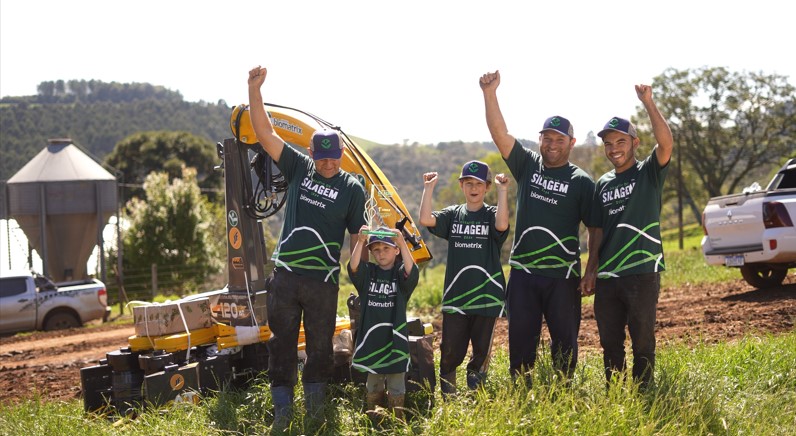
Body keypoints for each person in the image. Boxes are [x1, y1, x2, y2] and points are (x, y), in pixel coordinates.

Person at [247, 66, 367, 428]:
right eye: (322, 157)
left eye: (334, 157)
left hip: (322, 282)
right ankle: (282, 411)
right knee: (280, 344)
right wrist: (254, 90)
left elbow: (356, 236)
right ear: (312, 154)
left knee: (319, 347)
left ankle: (315, 409)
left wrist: (361, 271)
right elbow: (265, 132)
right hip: (285, 278)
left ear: (342, 153)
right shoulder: (299, 167)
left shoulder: (352, 188)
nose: (328, 163)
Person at [479, 70, 598, 382]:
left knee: (565, 344)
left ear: (571, 143)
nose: (552, 144)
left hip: (563, 277)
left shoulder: (581, 182)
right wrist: (489, 94)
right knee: (521, 341)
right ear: (540, 139)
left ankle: (564, 390)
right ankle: (521, 391)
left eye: (559, 139)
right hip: (524, 275)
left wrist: (590, 269)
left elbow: (595, 229)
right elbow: (500, 134)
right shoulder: (528, 166)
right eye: (547, 138)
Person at [580, 84, 674, 390]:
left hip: (642, 271)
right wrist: (591, 268)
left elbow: (666, 143)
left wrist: (648, 102)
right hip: (608, 275)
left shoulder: (648, 172)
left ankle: (644, 390)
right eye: (608, 143)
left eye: (621, 141)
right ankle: (617, 393)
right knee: (610, 341)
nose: (614, 148)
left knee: (643, 338)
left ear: (634, 143)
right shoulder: (602, 184)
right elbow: (596, 230)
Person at [418, 161, 510, 396]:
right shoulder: (453, 215)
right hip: (456, 297)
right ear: (461, 185)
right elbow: (427, 220)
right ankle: (449, 398)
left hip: (486, 297)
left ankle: (475, 396)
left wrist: (502, 192)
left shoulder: (491, 214)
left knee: (481, 352)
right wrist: (428, 188)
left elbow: (502, 225)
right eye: (468, 183)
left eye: (479, 184)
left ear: (486, 187)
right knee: (450, 351)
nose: (473, 188)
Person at [348, 225, 418, 422]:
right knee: (374, 383)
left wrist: (402, 242)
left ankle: (396, 421)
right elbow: (353, 267)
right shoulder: (368, 274)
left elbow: (411, 270)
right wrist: (360, 241)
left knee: (396, 383)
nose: (381, 253)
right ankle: (375, 420)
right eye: (376, 250)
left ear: (396, 250)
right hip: (372, 340)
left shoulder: (400, 274)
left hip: (395, 339)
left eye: (386, 248)